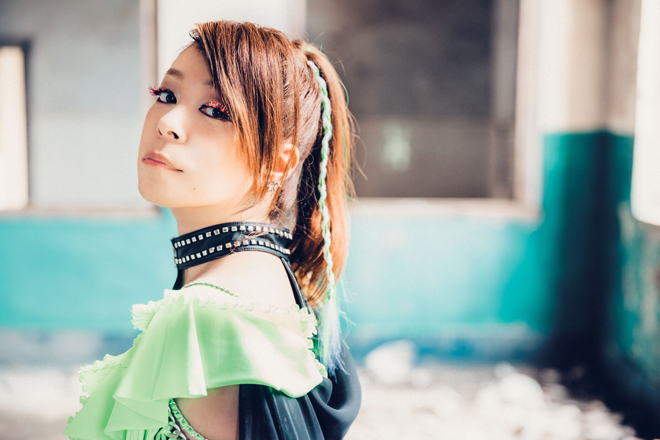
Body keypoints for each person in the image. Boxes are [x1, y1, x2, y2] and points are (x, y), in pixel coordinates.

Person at [64, 20, 361, 440]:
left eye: (215, 110)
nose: (167, 121)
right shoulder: (269, 283)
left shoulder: (210, 317)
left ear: (277, 163)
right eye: (166, 95)